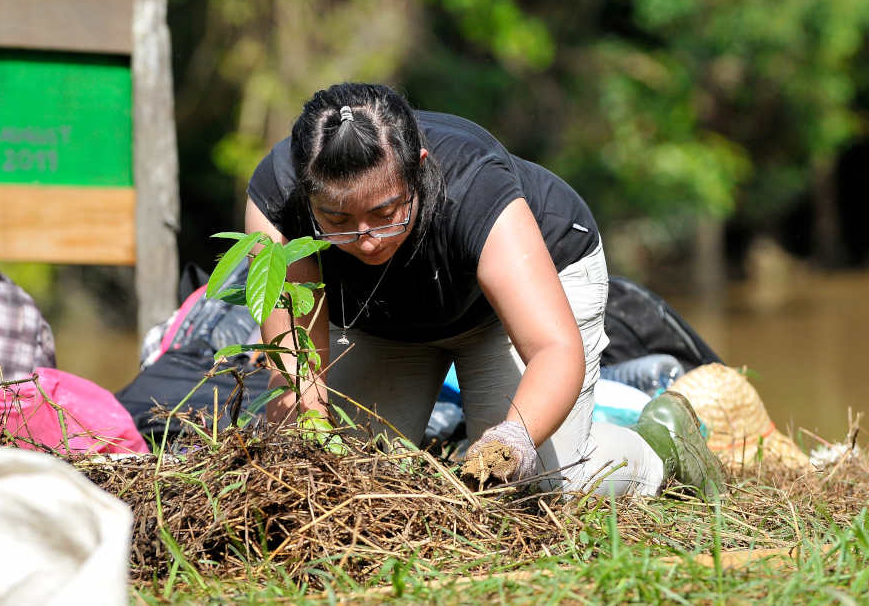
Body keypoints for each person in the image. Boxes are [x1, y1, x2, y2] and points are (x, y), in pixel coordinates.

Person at [245, 82, 724, 497]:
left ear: (419, 169)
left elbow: (555, 350)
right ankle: (457, 446)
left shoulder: (474, 187)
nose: (366, 238)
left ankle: (660, 450)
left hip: (513, 307)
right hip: (392, 321)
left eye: (387, 213)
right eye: (338, 220)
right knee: (351, 472)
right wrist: (305, 450)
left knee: (537, 483)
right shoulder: (279, 199)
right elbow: (296, 362)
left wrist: (513, 438)